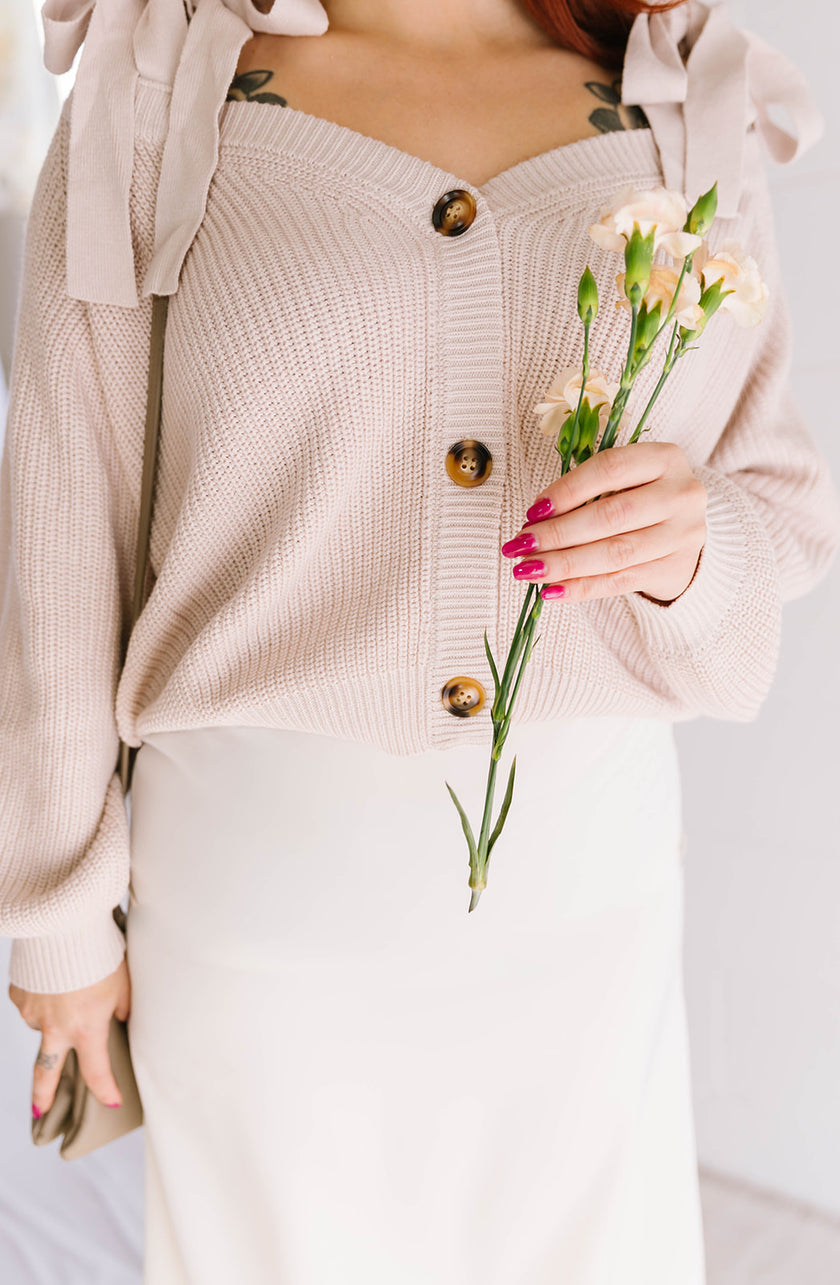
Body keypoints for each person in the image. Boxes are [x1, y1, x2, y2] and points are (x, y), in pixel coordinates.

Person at [3, 0, 839, 1280]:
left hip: (584, 902)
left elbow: (779, 501)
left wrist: (693, 545)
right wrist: (61, 923)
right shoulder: (163, 78)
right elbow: (60, 529)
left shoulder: (675, 92)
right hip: (264, 903)